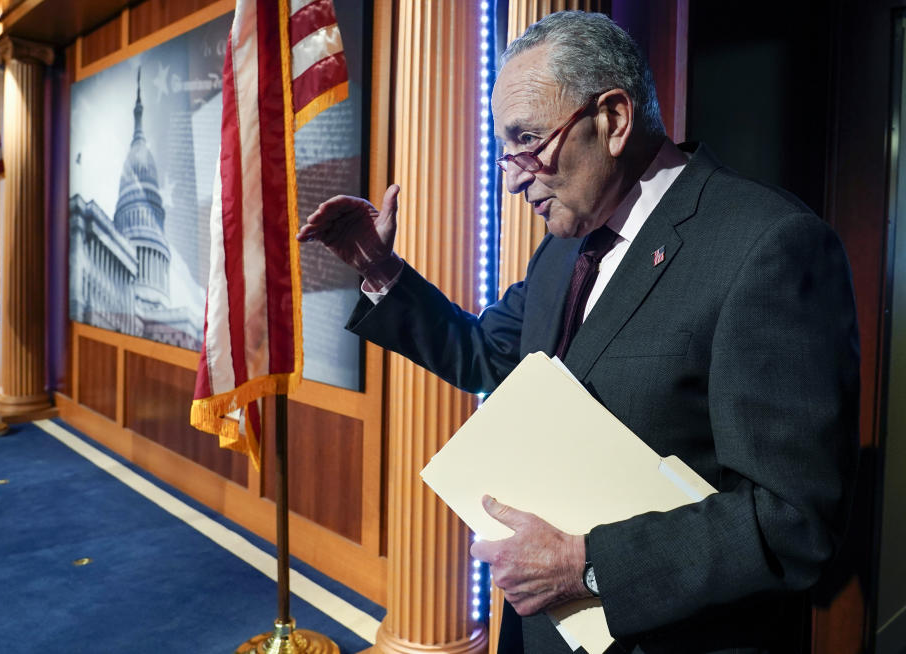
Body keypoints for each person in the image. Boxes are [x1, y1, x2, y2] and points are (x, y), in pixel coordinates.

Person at [297, 11, 859, 654]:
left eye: (528, 140)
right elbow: (485, 354)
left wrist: (585, 564)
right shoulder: (565, 247)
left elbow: (794, 521)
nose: (510, 178)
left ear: (614, 120)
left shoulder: (769, 246)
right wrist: (381, 270)